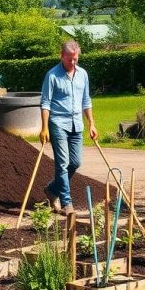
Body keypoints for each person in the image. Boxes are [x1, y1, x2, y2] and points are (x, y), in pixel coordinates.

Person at [39, 40, 98, 215]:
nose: (72, 63)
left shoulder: (83, 75)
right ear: (62, 56)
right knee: (62, 163)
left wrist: (91, 124)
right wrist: (44, 128)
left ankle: (52, 190)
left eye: (75, 59)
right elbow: (45, 103)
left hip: (76, 124)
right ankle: (67, 203)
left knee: (75, 162)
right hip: (57, 123)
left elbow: (86, 101)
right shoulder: (52, 76)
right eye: (69, 59)